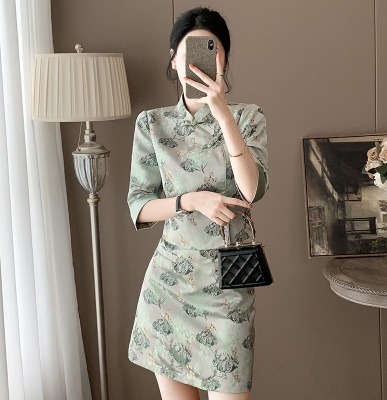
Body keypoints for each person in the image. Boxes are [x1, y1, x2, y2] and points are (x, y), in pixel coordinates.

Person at [127, 7, 269, 400]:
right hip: (168, 287)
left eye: (211, 50)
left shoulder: (248, 117)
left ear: (224, 59)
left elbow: (252, 190)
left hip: (228, 288)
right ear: (174, 59)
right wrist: (190, 200)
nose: (198, 62)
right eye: (188, 52)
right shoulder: (152, 123)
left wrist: (223, 116)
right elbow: (139, 206)